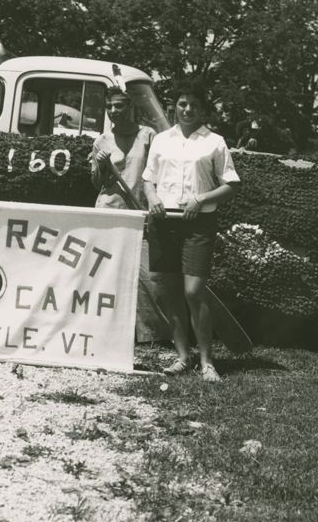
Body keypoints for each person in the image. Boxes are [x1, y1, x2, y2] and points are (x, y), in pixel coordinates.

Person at [142, 80, 241, 382]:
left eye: (193, 105)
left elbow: (231, 185)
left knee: (193, 292)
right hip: (164, 223)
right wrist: (153, 198)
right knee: (170, 294)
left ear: (203, 110)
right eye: (182, 104)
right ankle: (184, 357)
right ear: (175, 106)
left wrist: (200, 199)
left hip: (198, 225)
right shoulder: (161, 140)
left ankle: (207, 362)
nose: (187, 109)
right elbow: (149, 179)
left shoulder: (214, 142)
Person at [90, 86, 155, 209]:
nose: (113, 110)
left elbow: (156, 176)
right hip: (108, 208)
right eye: (109, 106)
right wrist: (102, 166)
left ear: (130, 107)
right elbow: (97, 185)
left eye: (119, 105)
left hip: (138, 208)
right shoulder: (101, 141)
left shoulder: (148, 135)